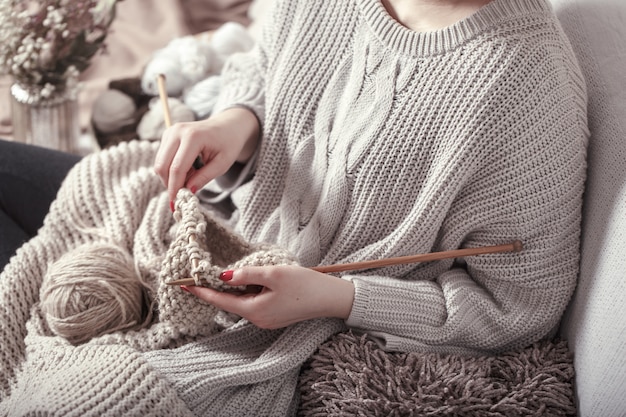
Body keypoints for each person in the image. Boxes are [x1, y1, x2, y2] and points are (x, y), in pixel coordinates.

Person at [1, 0, 588, 414]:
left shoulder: (528, 82)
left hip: (275, 336)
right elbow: (263, 67)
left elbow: (520, 305)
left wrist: (334, 297)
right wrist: (236, 123)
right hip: (199, 223)